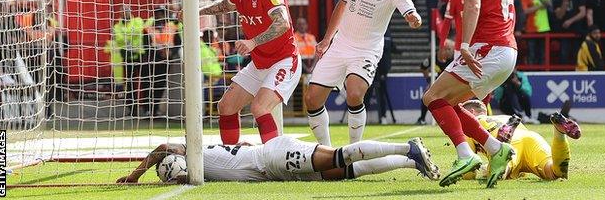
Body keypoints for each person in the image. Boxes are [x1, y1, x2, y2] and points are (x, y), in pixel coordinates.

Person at [422, 0, 538, 188]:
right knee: (447, 102)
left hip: (486, 49)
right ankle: (496, 149)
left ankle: (466, 155)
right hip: (508, 52)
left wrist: (463, 45)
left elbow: (472, 4)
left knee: (432, 97)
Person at [305, 0, 421, 146]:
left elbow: (410, 12)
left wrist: (413, 18)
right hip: (340, 45)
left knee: (355, 94)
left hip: (367, 50)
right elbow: (341, 7)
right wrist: (326, 40)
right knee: (312, 99)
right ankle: (327, 151)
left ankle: (352, 151)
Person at [196, 0, 301, 144]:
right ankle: (230, 157)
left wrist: (253, 42)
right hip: (260, 62)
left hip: (284, 61)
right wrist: (197, 12)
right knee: (226, 106)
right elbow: (223, 6)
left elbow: (283, 23)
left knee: (259, 108)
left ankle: (273, 159)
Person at [116, 135, 439, 184]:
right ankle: (412, 162)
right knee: (341, 173)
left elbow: (161, 146)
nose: (177, 181)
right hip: (272, 166)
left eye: (173, 177)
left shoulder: (194, 155)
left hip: (273, 157)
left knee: (336, 157)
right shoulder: (203, 161)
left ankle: (406, 147)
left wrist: (134, 177)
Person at [461, 99, 581, 181]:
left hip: (510, 145)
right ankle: (559, 133)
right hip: (530, 138)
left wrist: (467, 175)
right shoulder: (503, 117)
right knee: (556, 174)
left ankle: (501, 158)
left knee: (498, 173)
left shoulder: (470, 125)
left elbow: (469, 170)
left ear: (471, 112)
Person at [143, 6, 182, 117]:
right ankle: (148, 109)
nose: (159, 16)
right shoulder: (149, 28)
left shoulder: (172, 28)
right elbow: (145, 45)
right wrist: (156, 53)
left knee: (160, 85)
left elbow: (178, 43)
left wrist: (171, 53)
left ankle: (155, 109)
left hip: (165, 61)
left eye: (161, 13)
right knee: (149, 85)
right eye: (157, 13)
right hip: (151, 60)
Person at [113, 5, 150, 116]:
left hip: (140, 56)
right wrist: (130, 34)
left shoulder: (138, 21)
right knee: (129, 84)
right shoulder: (116, 26)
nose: (125, 13)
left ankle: (147, 108)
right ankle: (132, 109)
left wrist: (125, 35)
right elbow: (119, 39)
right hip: (127, 57)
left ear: (130, 12)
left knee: (145, 82)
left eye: (126, 11)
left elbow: (138, 32)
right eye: (122, 11)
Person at [417, 39, 455, 125]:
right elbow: (423, 68)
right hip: (439, 80)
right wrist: (429, 80)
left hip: (451, 81)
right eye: (448, 49)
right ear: (442, 49)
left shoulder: (453, 59)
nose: (450, 52)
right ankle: (422, 119)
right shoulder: (432, 58)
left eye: (451, 49)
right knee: (427, 96)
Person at [521, 0, 552, 65]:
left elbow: (549, 4)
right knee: (531, 53)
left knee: (543, 54)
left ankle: (543, 73)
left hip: (544, 27)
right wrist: (540, 6)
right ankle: (531, 72)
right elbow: (525, 11)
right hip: (530, 29)